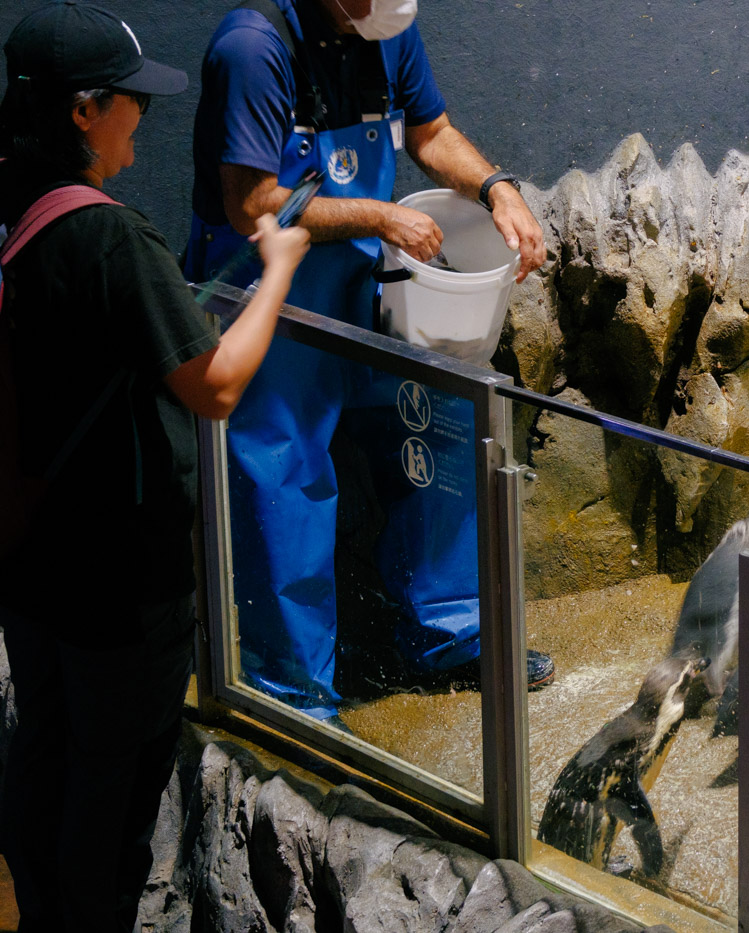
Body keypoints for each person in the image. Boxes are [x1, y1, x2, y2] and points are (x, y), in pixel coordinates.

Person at [0, 2, 310, 930]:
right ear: (84, 113)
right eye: (131, 99)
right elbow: (214, 385)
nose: (146, 113)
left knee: (41, 753)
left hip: (27, 559)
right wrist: (280, 266)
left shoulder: (13, 198)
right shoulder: (111, 237)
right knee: (112, 786)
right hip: (120, 587)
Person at [184, 0, 553, 727]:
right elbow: (254, 204)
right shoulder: (254, 48)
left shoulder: (388, 26)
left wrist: (495, 187)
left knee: (435, 430)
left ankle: (447, 637)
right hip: (272, 290)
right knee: (285, 476)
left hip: (368, 283)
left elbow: (432, 131)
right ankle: (293, 693)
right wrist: (380, 215)